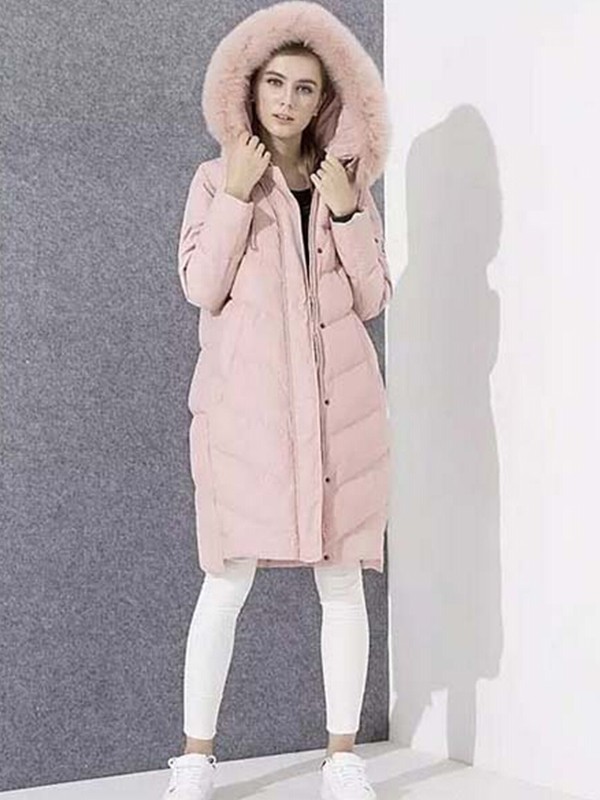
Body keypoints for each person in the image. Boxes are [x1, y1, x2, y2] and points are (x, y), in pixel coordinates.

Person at [164, 2, 393, 798]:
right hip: (248, 420)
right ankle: (195, 758)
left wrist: (347, 210)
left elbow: (374, 297)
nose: (287, 101)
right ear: (249, 87)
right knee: (225, 583)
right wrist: (234, 196)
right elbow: (202, 286)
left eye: (305, 88)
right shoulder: (212, 179)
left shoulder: (347, 184)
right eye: (274, 83)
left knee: (343, 583)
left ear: (327, 98)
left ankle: (342, 757)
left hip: (341, 417)